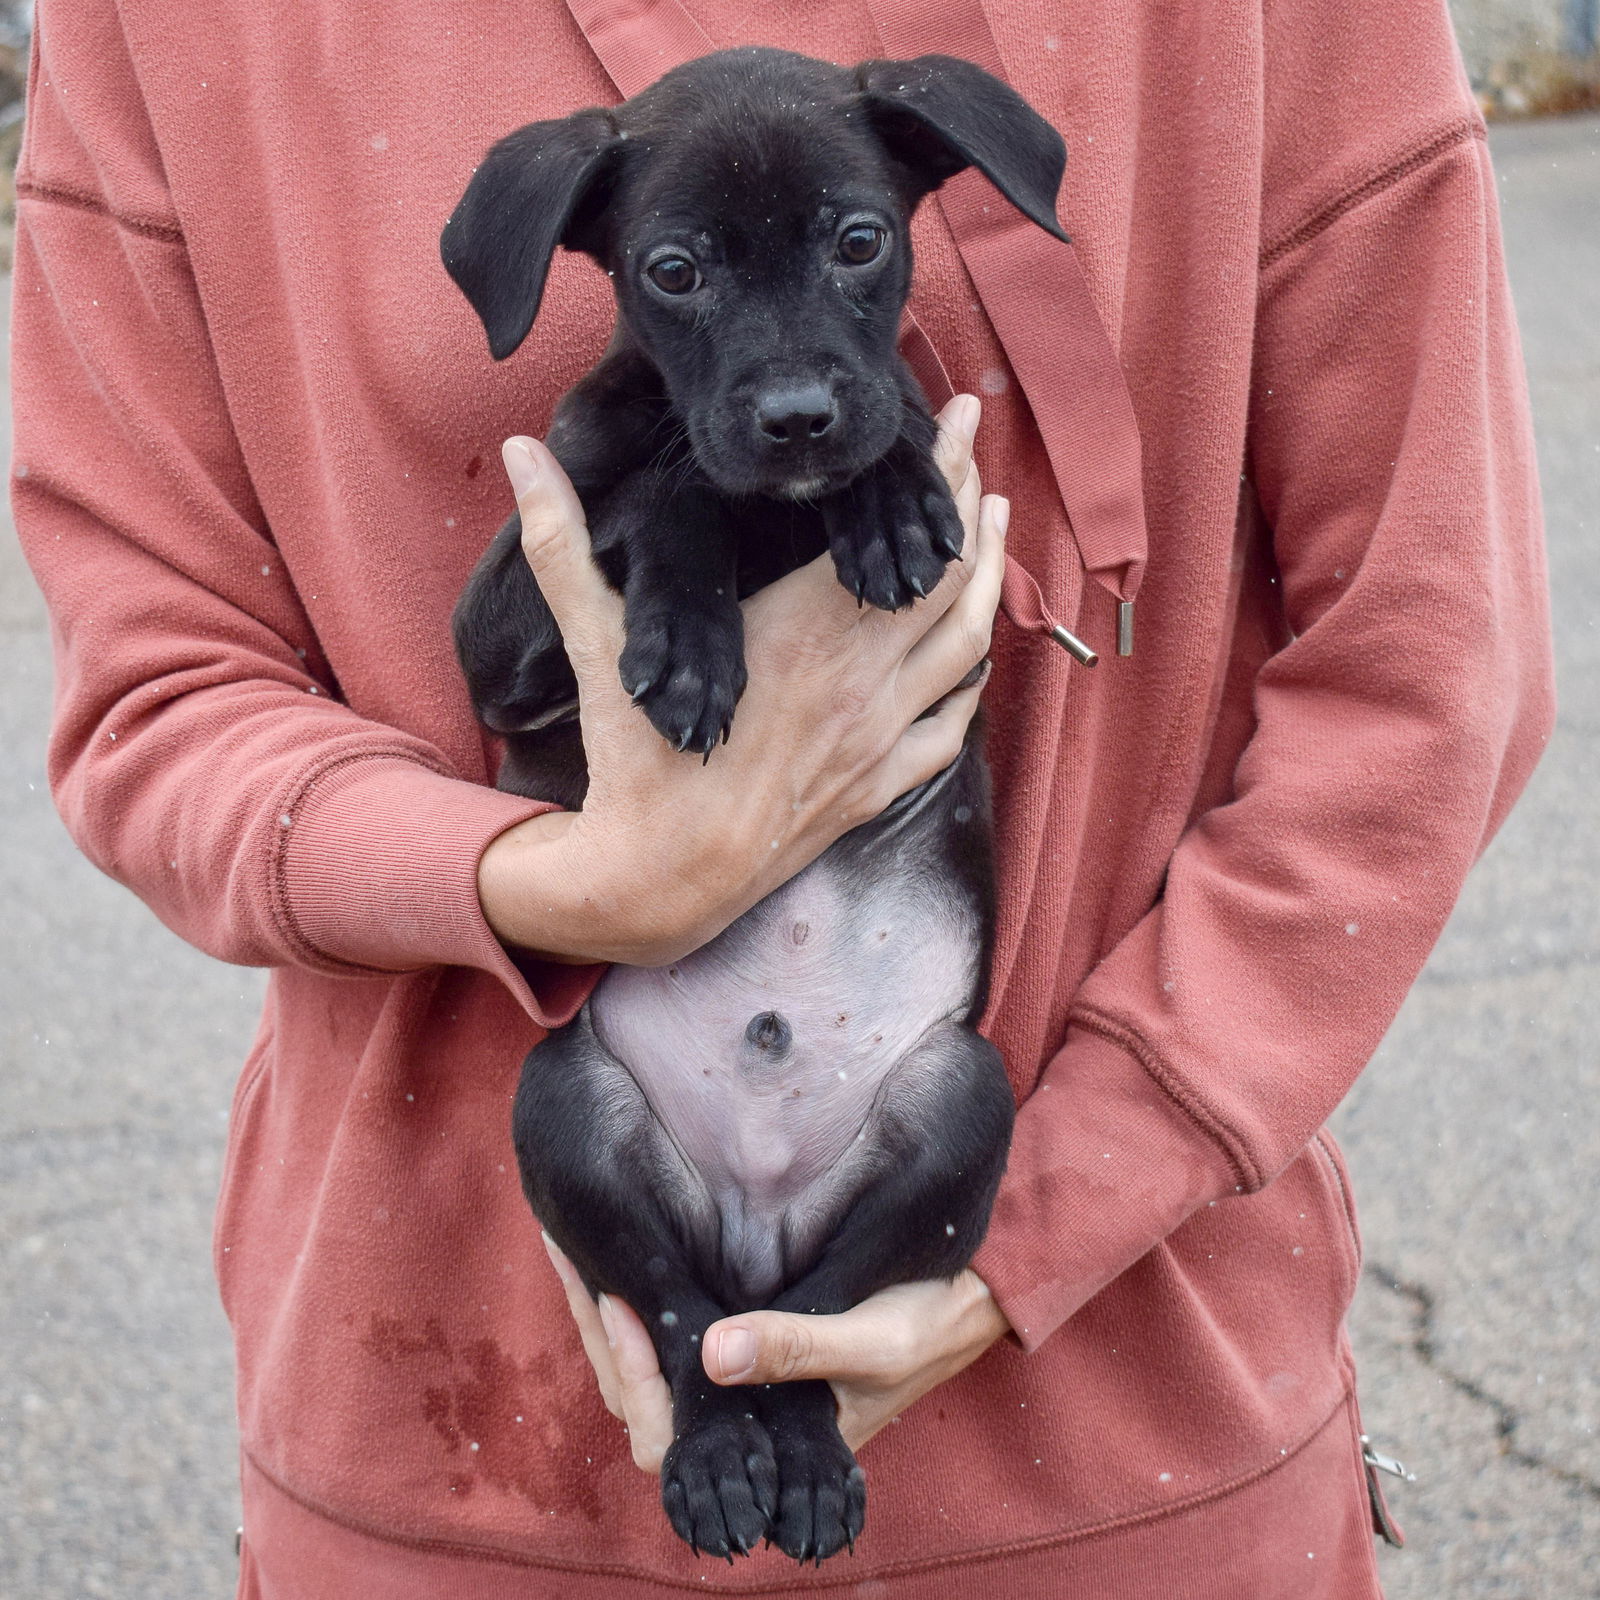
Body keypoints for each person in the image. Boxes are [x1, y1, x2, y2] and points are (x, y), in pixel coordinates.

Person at [10, 0, 1553, 1595]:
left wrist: (1066, 1201)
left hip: (1118, 1436)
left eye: (852, 253)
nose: (798, 374)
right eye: (682, 277)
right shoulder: (172, 33)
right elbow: (161, 696)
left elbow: (1420, 675)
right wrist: (564, 887)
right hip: (446, 1444)